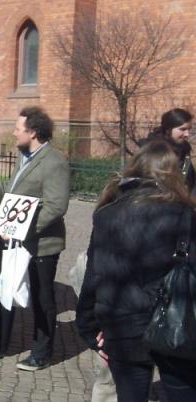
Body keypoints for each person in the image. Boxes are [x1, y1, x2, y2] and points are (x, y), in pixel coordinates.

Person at [76, 140, 196, 401]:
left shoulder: (107, 213)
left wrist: (88, 327)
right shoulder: (184, 212)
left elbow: (94, 274)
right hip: (174, 322)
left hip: (122, 323)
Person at [0, 106, 70, 372]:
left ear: (32, 132)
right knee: (2, 291)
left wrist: (19, 230)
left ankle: (42, 352)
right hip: (10, 240)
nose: (13, 133)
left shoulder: (54, 162)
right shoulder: (24, 158)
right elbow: (13, 194)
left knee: (41, 297)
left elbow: (56, 206)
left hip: (40, 244)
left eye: (17, 128)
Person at [145, 108, 194, 192]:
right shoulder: (152, 151)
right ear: (168, 129)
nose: (187, 134)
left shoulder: (184, 150)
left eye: (189, 129)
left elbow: (190, 180)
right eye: (182, 129)